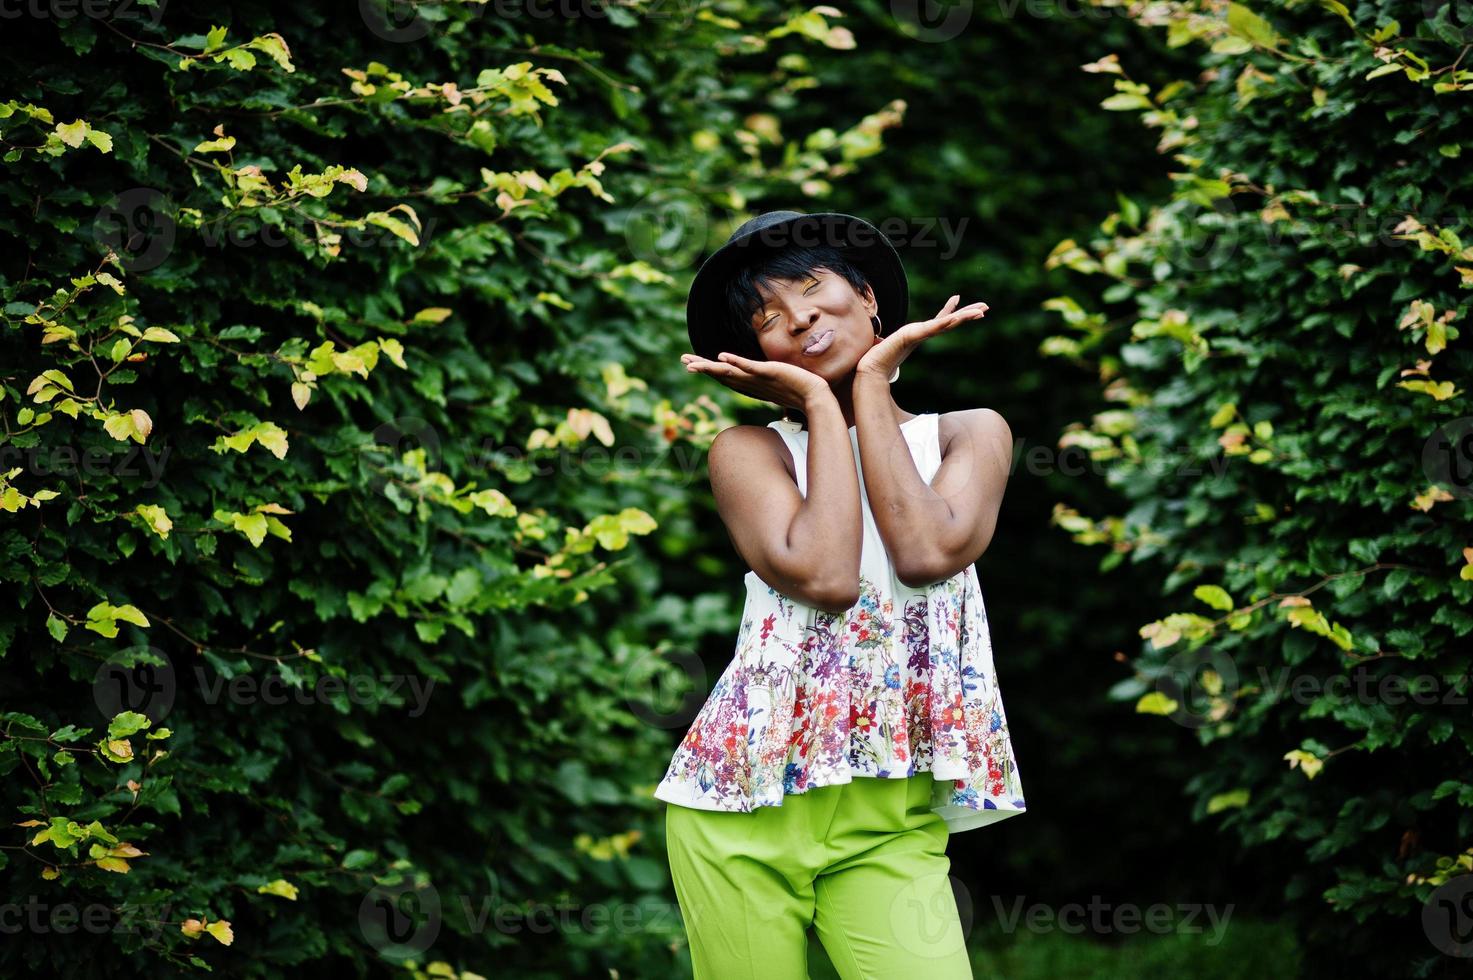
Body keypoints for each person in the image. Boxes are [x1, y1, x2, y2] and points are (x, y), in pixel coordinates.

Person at [659, 210, 1027, 979]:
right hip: (740, 809)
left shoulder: (968, 433)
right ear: (756, 353)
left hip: (889, 818)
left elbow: (924, 552)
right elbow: (826, 576)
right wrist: (822, 407)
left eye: (811, 289)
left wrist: (864, 387)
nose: (799, 320)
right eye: (769, 318)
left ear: (866, 296)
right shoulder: (747, 451)